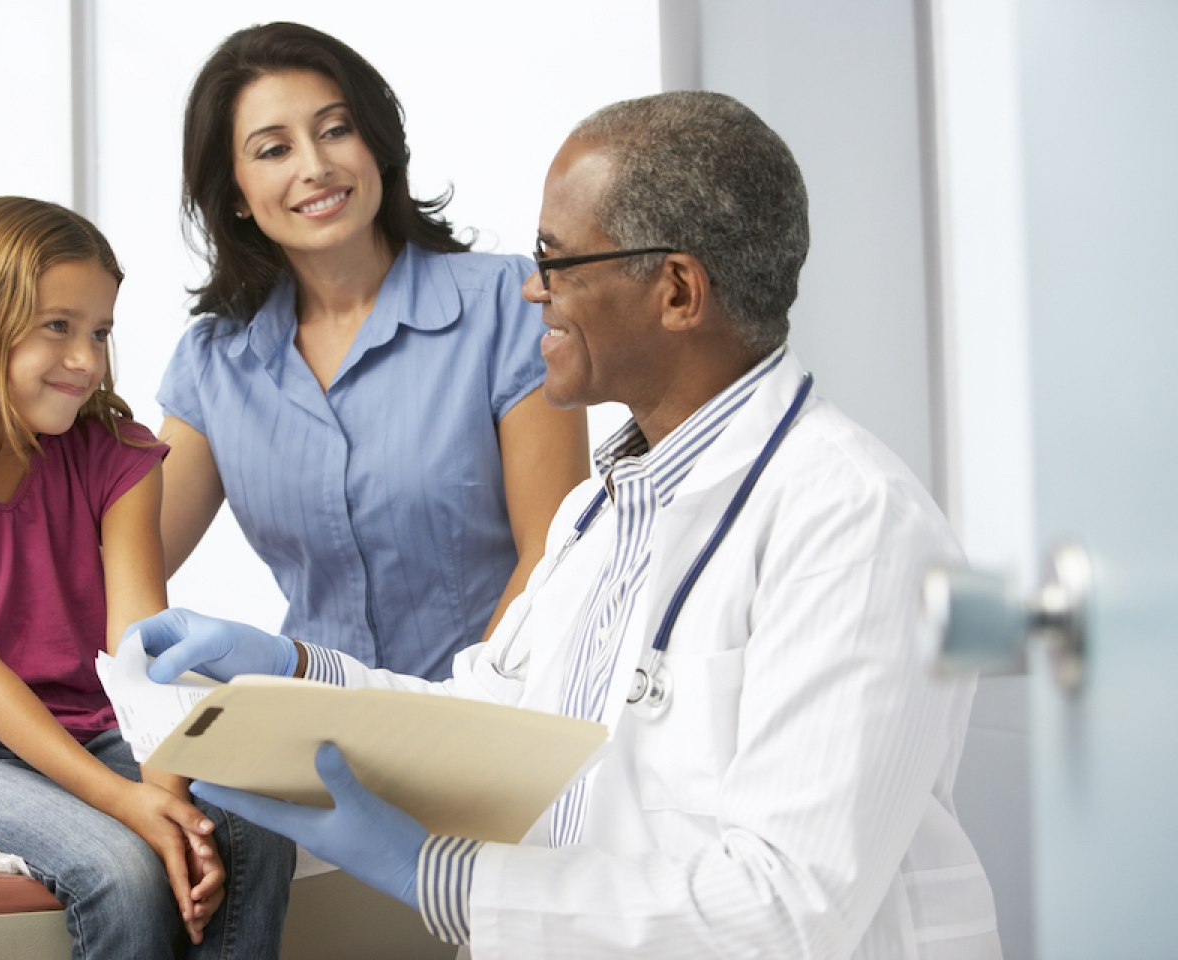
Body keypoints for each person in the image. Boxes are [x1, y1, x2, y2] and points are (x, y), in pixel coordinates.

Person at [128, 91, 1004, 959]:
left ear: (675, 291)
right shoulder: (604, 507)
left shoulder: (850, 524)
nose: (531, 287)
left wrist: (440, 875)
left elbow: (784, 909)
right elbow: (489, 721)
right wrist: (296, 672)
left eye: (558, 258)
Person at [0, 197, 293, 959]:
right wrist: (132, 811)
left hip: (101, 726)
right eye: (58, 328)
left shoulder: (116, 456)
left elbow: (141, 648)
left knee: (256, 835)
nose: (88, 361)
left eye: (99, 331)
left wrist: (168, 802)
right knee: (122, 872)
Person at [158, 22, 589, 681]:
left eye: (336, 130)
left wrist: (458, 724)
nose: (315, 165)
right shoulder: (214, 362)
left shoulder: (507, 304)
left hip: (490, 731)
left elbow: (553, 559)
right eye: (273, 150)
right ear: (236, 194)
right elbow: (126, 564)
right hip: (309, 736)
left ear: (378, 145)